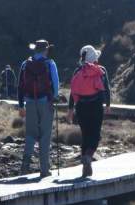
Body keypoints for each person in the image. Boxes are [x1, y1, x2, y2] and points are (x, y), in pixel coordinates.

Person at [18, 39, 61, 178]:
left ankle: (25, 166)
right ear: (46, 50)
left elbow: (20, 86)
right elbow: (55, 84)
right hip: (46, 102)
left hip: (29, 102)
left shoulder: (25, 64)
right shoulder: (50, 63)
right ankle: (44, 169)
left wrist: (21, 105)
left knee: (30, 134)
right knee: (45, 135)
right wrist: (54, 98)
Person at [68, 45, 111, 178]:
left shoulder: (77, 71)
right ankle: (88, 156)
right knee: (95, 135)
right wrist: (108, 105)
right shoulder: (101, 70)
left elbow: (72, 92)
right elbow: (107, 89)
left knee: (85, 135)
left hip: (81, 107)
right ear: (94, 57)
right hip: (96, 106)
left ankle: (85, 168)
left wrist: (70, 109)